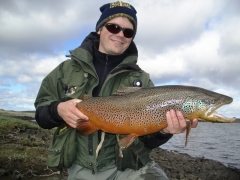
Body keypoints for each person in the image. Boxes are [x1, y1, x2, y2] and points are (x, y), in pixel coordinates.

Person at [34, 1, 198, 179]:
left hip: (129, 169)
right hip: (80, 168)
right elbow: (41, 114)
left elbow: (146, 141)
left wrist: (165, 131)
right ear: (99, 29)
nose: (120, 35)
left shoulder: (142, 80)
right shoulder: (65, 71)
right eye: (113, 27)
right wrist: (58, 109)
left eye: (128, 32)